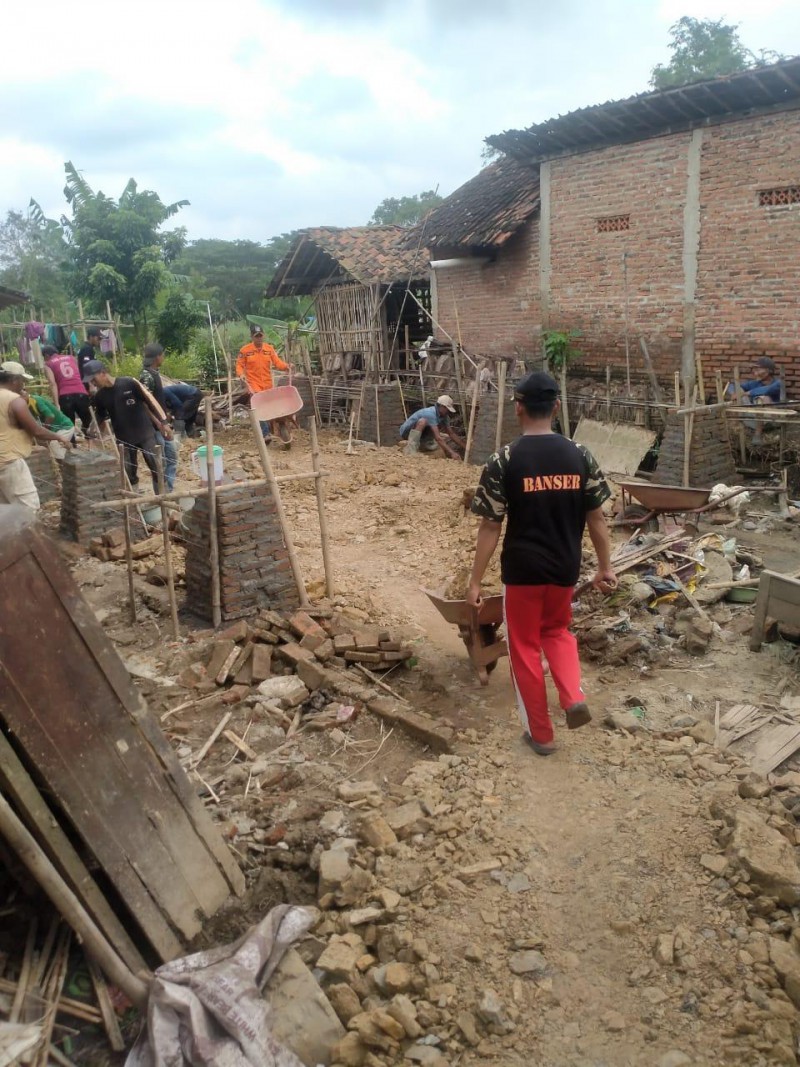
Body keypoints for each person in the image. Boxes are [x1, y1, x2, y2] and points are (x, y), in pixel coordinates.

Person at [466, 370, 617, 756]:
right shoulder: (579, 454)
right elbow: (597, 518)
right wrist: (605, 567)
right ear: (556, 407)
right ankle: (572, 697)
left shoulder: (505, 459)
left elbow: (489, 526)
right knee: (558, 632)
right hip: (564, 568)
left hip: (522, 571)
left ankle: (543, 735)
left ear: (518, 408)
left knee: (525, 648)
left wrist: (475, 581)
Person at [83, 360, 170, 492]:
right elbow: (99, 415)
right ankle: (135, 505)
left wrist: (163, 422)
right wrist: (91, 429)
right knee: (129, 474)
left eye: (93, 379)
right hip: (124, 439)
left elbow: (150, 400)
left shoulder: (129, 383)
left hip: (145, 434)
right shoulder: (100, 396)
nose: (92, 383)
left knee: (158, 468)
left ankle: (164, 502)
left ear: (102, 373)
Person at [0, 363, 64, 510]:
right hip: (10, 462)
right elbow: (36, 430)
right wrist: (59, 437)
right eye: (22, 381)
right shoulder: (14, 400)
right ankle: (28, 533)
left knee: (5, 510)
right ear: (14, 380)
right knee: (28, 508)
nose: (23, 385)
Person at [236, 327, 290, 444]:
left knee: (271, 408)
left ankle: (277, 427)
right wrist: (241, 374)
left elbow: (277, 362)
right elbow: (239, 365)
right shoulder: (245, 350)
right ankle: (265, 434)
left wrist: (286, 366)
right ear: (252, 337)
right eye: (256, 336)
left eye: (260, 335)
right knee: (258, 408)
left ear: (263, 335)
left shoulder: (269, 348)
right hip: (254, 385)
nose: (259, 338)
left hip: (267, 384)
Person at [139, 343, 178, 491]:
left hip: (162, 424)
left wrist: (165, 419)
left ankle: (168, 491)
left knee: (171, 458)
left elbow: (157, 400)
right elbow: (144, 403)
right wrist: (158, 423)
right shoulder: (146, 376)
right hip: (154, 427)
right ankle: (162, 496)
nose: (163, 357)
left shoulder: (154, 373)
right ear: (157, 357)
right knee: (159, 463)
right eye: (162, 354)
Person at [42, 344, 95, 438]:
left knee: (69, 425)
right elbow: (79, 373)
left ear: (46, 355)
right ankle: (90, 438)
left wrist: (56, 403)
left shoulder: (48, 364)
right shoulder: (71, 358)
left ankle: (72, 447)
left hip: (65, 395)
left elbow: (52, 384)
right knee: (87, 421)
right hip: (81, 392)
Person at [399, 395, 465, 459]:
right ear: (441, 406)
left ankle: (425, 444)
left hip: (422, 434)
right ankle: (411, 450)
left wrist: (466, 447)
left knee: (434, 443)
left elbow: (451, 434)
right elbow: (438, 438)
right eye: (447, 409)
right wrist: (452, 453)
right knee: (423, 421)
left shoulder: (445, 417)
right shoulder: (430, 413)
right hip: (407, 432)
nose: (448, 411)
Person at [26, 391, 76, 460]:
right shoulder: (26, 405)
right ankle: (63, 458)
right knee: (50, 446)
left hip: (64, 427)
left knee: (54, 445)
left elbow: (50, 416)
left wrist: (44, 430)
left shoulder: (36, 400)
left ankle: (59, 467)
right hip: (55, 430)